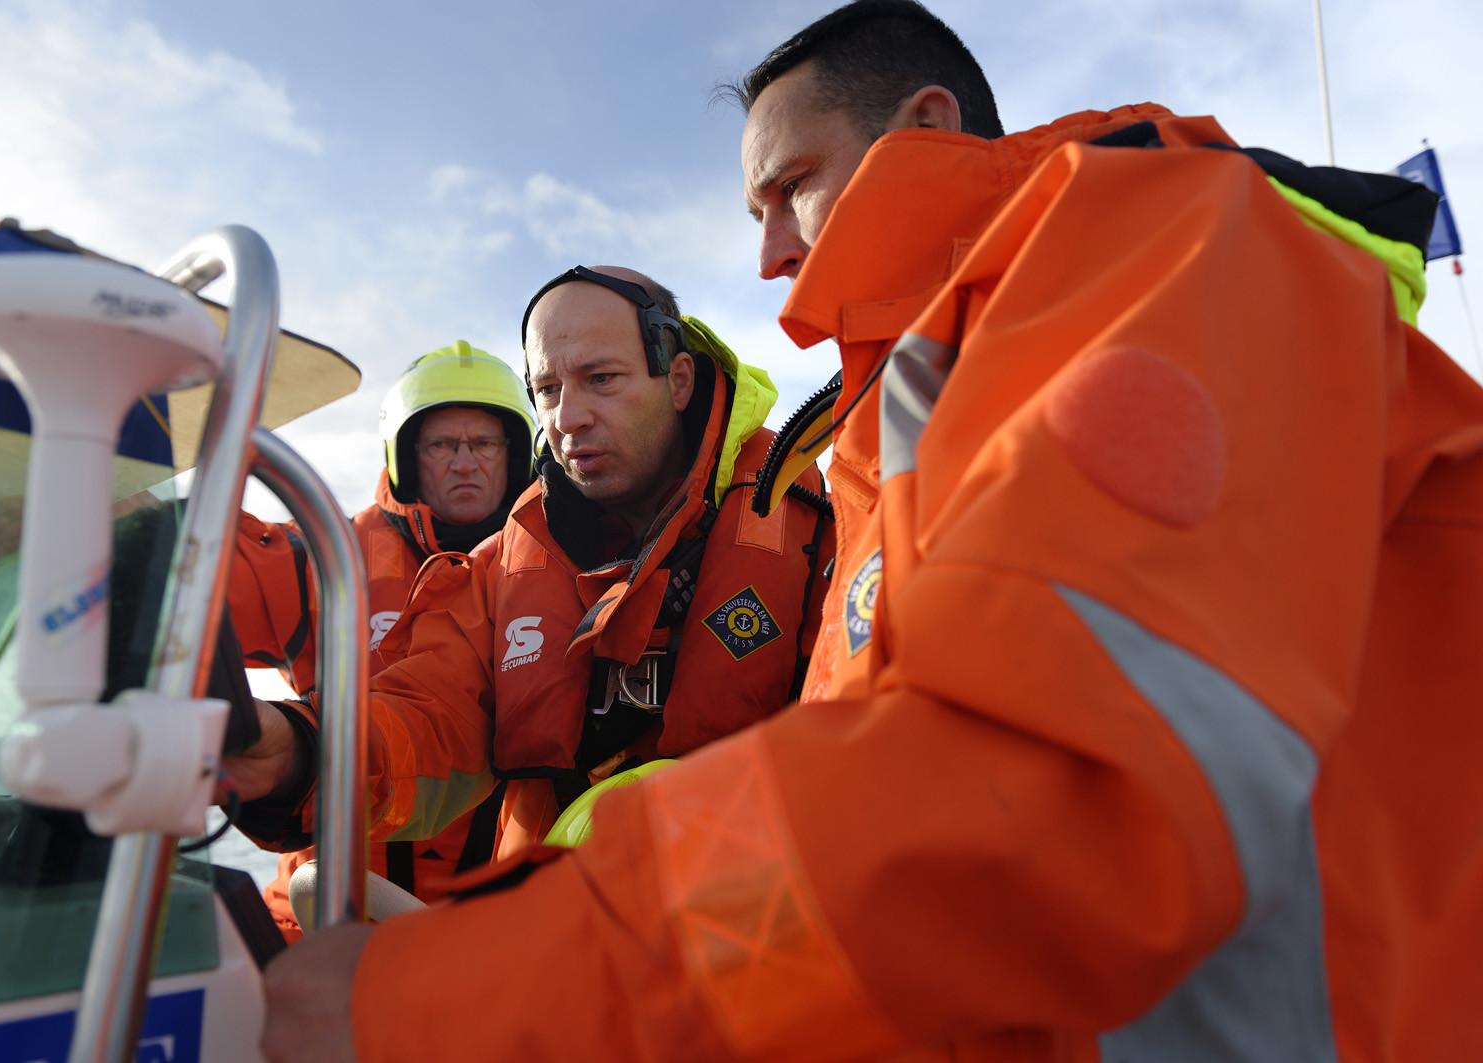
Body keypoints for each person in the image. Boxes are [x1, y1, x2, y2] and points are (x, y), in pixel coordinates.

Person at [261, 3, 1483, 1060]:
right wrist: (292, 762)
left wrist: (460, 995)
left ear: (930, 129)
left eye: (790, 186)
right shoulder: (895, 422)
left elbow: (1035, 799)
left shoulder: (1167, 258)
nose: (770, 256)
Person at [228, 265, 831, 928]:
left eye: (602, 379)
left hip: (768, 943)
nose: (568, 418)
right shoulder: (500, 572)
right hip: (543, 956)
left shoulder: (814, 525)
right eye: (547, 388)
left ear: (678, 380)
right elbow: (430, 712)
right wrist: (292, 750)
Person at [226, 340, 536, 939]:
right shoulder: (325, 556)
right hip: (319, 906)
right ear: (406, 456)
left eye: (485, 444)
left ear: (518, 452)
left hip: (490, 921)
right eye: (442, 444)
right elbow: (196, 580)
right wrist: (138, 519)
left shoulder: (553, 574)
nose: (465, 462)